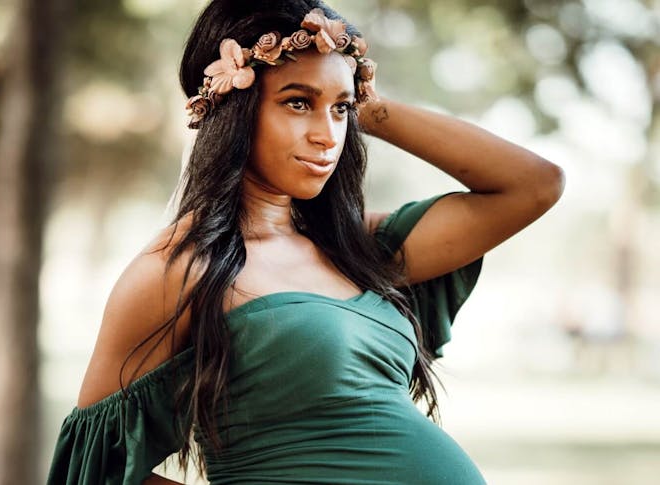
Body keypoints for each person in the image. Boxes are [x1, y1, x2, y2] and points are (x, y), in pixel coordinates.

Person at [46, 1, 565, 484]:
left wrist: (365, 100)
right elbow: (96, 470)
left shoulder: (356, 246)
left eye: (340, 110)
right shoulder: (179, 269)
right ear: (234, 107)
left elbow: (534, 185)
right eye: (298, 103)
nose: (328, 135)